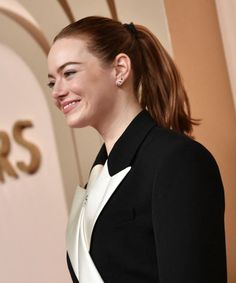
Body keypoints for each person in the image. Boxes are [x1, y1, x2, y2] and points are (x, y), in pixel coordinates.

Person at [47, 16, 227, 283]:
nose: (57, 92)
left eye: (69, 72)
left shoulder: (178, 161)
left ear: (120, 68)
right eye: (52, 82)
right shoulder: (97, 177)